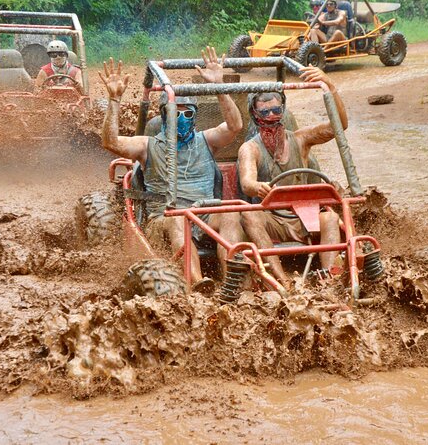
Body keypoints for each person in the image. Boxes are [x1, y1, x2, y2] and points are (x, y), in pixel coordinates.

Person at [98, 47, 245, 293]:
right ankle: (197, 282)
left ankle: (234, 281)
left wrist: (219, 87)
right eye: (177, 112)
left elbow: (235, 126)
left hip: (205, 213)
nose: (183, 117)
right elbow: (110, 142)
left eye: (189, 113)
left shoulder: (205, 140)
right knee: (179, 219)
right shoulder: (148, 145)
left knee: (231, 214)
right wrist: (114, 100)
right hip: (165, 219)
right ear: (165, 115)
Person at [237, 66, 347, 288]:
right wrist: (257, 186)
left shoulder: (300, 139)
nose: (271, 117)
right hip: (273, 219)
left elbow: (340, 126)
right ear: (255, 115)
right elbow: (247, 182)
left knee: (331, 217)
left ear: (283, 110)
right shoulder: (250, 148)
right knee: (249, 215)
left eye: (276, 111)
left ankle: (331, 279)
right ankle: (281, 280)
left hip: (304, 215)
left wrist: (330, 86)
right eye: (265, 113)